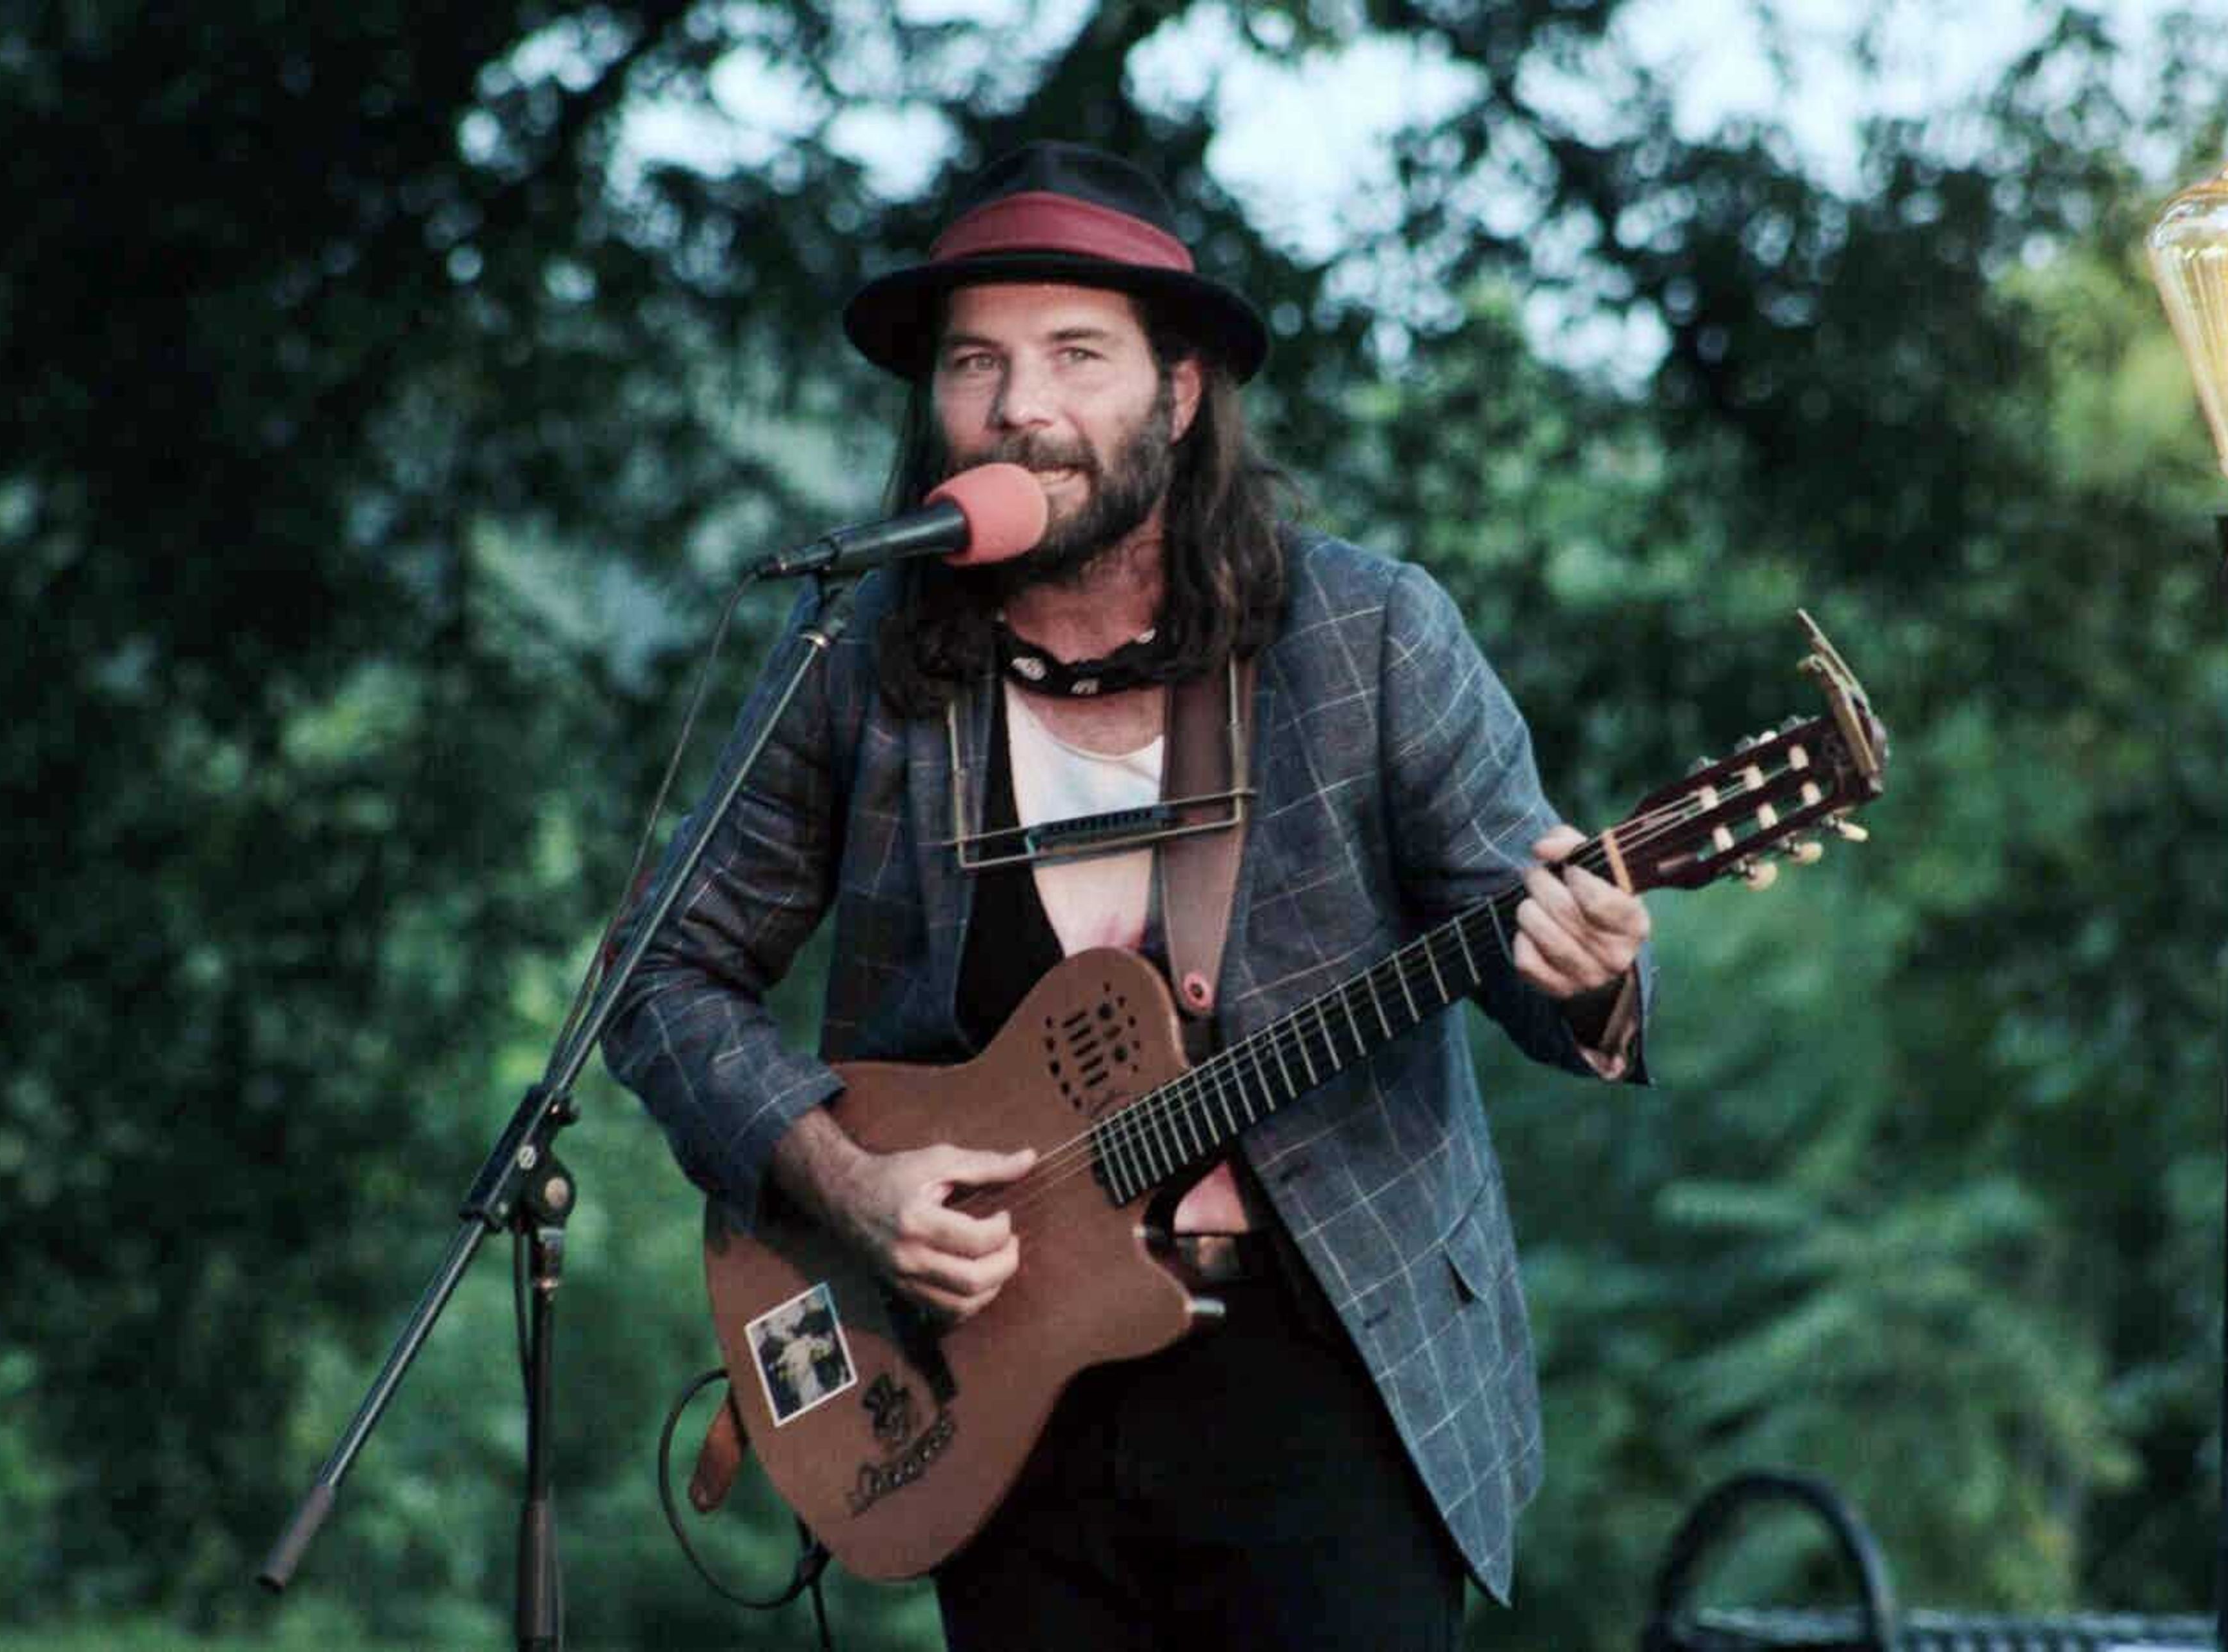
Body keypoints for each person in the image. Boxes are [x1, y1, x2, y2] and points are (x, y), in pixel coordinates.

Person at [606, 140, 1653, 1651]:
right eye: (976, 363)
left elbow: (1543, 953)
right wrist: (845, 1182)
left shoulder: (1368, 633)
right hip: (997, 1383)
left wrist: (1587, 962)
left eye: (1076, 355)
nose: (1019, 406)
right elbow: (659, 973)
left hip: (1335, 1377)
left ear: (1177, 397)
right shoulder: (859, 662)